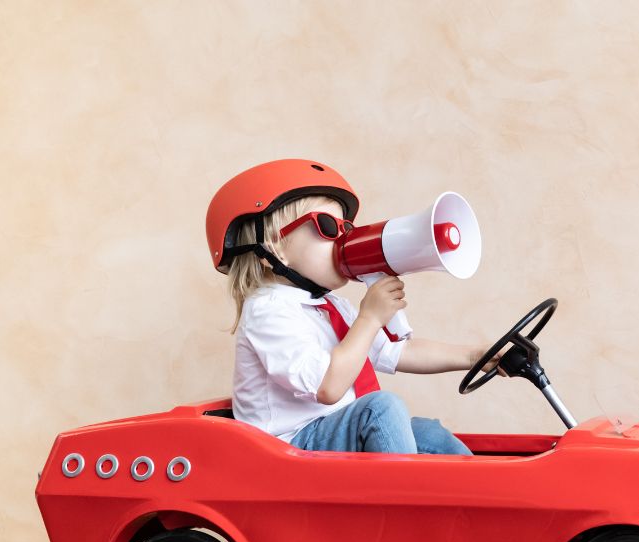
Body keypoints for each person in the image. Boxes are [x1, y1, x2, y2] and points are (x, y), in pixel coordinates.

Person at [205, 159, 493, 454]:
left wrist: (477, 356)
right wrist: (369, 318)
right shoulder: (268, 309)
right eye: (328, 227)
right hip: (287, 450)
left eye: (347, 228)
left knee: (429, 434)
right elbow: (328, 387)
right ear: (272, 248)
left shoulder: (333, 307)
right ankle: (402, 498)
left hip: (329, 434)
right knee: (381, 410)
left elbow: (400, 352)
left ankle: (478, 495)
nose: (344, 238)